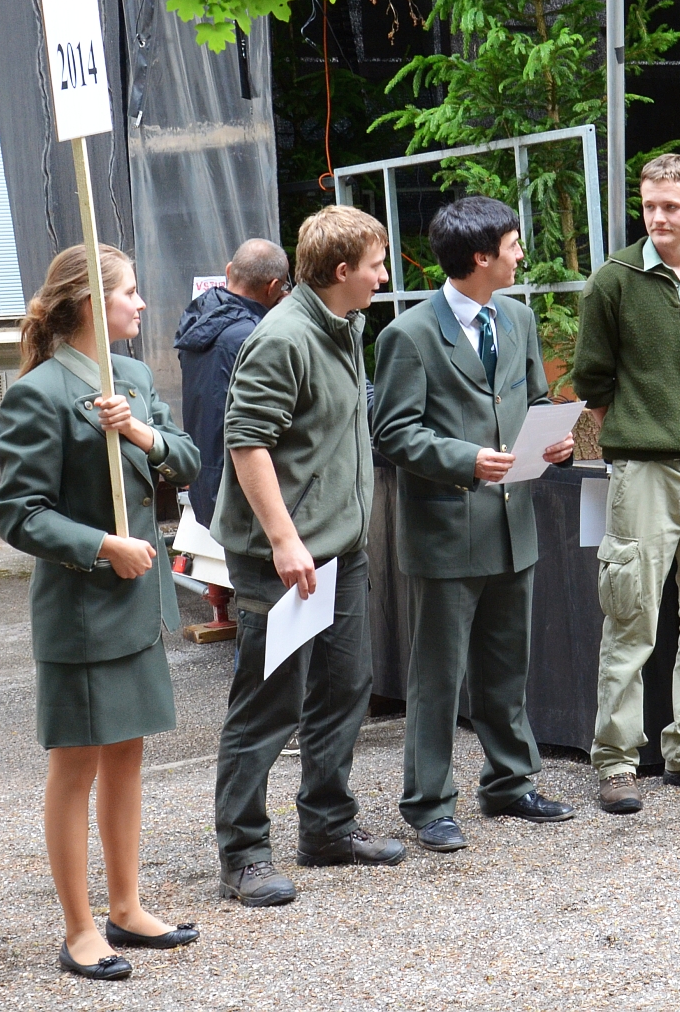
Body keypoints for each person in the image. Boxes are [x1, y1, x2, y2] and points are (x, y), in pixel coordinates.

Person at [0, 244, 201, 979]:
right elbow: (18, 513)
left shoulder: (133, 378)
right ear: (90, 303)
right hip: (81, 610)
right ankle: (80, 931)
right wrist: (103, 545)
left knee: (128, 755)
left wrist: (139, 431)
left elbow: (187, 459)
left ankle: (127, 907)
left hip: (136, 603)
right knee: (75, 765)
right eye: (129, 292)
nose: (141, 304)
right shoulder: (39, 394)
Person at [212, 205, 404, 909]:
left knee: (345, 687)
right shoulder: (283, 337)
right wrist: (284, 539)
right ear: (343, 270)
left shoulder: (346, 325)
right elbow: (247, 442)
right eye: (377, 265)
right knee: (269, 706)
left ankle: (327, 828)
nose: (385, 276)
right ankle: (243, 855)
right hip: (284, 558)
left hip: (339, 550)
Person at [374, 196, 579, 850]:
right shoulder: (408, 335)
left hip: (513, 523)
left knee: (506, 667)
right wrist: (465, 459)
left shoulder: (517, 317)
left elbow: (534, 399)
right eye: (514, 245)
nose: (522, 255)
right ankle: (429, 803)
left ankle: (510, 782)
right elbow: (393, 432)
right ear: (482, 256)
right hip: (445, 532)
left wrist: (554, 440)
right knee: (436, 679)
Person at [572, 154, 680, 815]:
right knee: (631, 616)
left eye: (670, 206)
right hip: (642, 467)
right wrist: (636, 433)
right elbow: (592, 378)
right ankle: (617, 762)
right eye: (648, 205)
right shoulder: (612, 281)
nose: (656, 216)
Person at [173, 239, 290, 527]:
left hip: (205, 484)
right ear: (273, 287)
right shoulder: (255, 338)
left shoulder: (197, 321)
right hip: (244, 492)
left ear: (228, 271)